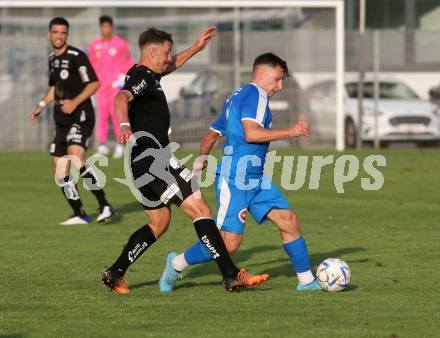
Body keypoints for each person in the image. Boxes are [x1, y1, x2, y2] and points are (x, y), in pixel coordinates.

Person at [101, 27, 268, 294]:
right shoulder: (142, 76)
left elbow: (170, 67)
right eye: (166, 53)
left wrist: (196, 48)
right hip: (156, 158)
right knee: (201, 210)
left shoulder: (149, 74)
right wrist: (123, 123)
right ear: (152, 52)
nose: (169, 58)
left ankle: (115, 272)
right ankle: (231, 274)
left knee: (159, 223)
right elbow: (122, 96)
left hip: (138, 163)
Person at [159, 53, 322, 292]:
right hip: (234, 179)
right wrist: (291, 131)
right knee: (229, 244)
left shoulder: (236, 96)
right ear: (262, 74)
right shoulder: (256, 94)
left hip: (255, 178)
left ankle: (307, 281)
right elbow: (251, 134)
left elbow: (210, 136)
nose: (280, 86)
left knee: (288, 220)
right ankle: (176, 263)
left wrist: (202, 159)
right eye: (277, 79)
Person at [31, 17, 116, 225]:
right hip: (61, 119)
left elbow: (94, 84)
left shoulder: (77, 56)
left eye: (63, 32)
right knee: (59, 169)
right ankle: (80, 213)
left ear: (66, 35)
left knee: (75, 157)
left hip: (81, 115)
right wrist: (41, 105)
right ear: (50, 34)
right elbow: (54, 89)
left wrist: (74, 102)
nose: (59, 36)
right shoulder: (52, 58)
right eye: (55, 32)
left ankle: (105, 205)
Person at [88, 15, 134, 159]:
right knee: (101, 116)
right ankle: (102, 145)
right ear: (100, 27)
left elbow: (128, 62)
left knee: (117, 115)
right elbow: (91, 66)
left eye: (108, 26)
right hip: (101, 87)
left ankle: (120, 145)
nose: (105, 29)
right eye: (103, 26)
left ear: (111, 27)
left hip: (115, 86)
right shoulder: (94, 45)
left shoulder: (120, 44)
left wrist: (122, 78)